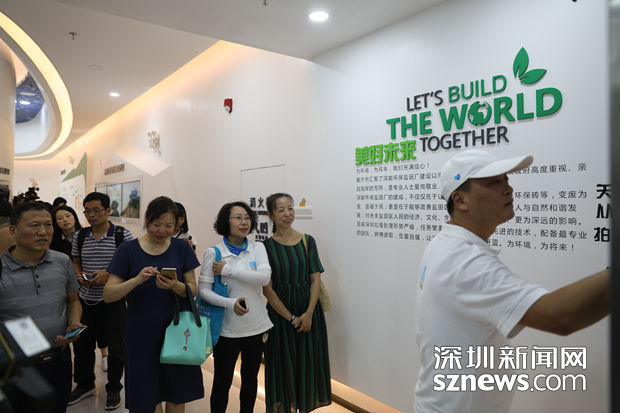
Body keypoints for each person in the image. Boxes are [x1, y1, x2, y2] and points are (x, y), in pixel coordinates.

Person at [414, 149, 610, 413]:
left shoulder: (445, 243)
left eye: (506, 179)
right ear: (460, 200)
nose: (508, 189)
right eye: (493, 182)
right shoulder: (464, 262)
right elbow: (560, 316)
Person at [103, 196, 203, 413]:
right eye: (156, 224)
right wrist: (136, 280)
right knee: (146, 392)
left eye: (169, 226)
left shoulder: (181, 247)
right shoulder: (128, 250)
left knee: (177, 391)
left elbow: (193, 290)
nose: (162, 231)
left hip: (177, 330)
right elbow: (108, 294)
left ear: (177, 224)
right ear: (147, 219)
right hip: (141, 332)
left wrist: (176, 286)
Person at [0, 202, 84, 413]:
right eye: (34, 225)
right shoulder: (2, 268)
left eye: (48, 224)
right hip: (18, 368)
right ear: (13, 231)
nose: (43, 231)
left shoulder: (62, 261)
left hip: (59, 359)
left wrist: (74, 322)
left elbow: (73, 300)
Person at [198, 201, 272, 413]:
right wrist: (231, 303)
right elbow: (204, 291)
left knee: (250, 381)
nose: (244, 222)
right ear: (225, 222)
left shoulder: (258, 248)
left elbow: (264, 278)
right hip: (226, 329)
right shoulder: (214, 253)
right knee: (222, 381)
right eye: (238, 218)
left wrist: (229, 270)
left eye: (247, 218)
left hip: (256, 327)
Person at [262, 193, 331, 413]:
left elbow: (315, 279)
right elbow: (267, 289)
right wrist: (291, 317)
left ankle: (305, 407)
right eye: (281, 210)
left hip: (309, 314)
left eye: (290, 208)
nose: (287, 214)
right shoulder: (265, 247)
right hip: (280, 317)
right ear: (271, 214)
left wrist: (308, 313)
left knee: (308, 364)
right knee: (283, 366)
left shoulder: (307, 241)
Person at [69, 192, 133, 410]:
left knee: (116, 347)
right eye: (87, 211)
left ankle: (114, 388)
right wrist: (79, 276)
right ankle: (85, 383)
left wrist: (109, 274)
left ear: (108, 210)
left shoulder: (122, 235)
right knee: (82, 345)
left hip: (114, 300)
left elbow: (131, 266)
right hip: (86, 299)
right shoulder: (81, 235)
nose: (91, 215)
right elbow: (76, 261)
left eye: (96, 210)